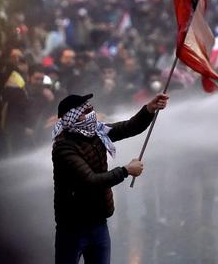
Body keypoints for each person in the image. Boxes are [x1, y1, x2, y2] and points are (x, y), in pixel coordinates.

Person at [52, 92, 168, 264]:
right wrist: (126, 171)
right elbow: (90, 181)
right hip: (72, 227)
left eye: (92, 108)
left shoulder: (97, 132)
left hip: (98, 222)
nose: (92, 112)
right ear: (72, 117)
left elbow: (128, 127)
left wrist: (149, 110)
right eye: (86, 110)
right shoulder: (64, 147)